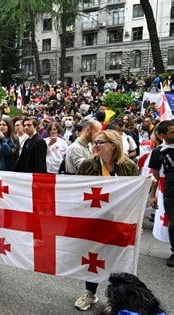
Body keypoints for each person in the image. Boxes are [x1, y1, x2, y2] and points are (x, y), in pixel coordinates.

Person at [74, 130, 138, 311]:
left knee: (117, 260)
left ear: (113, 145)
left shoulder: (129, 166)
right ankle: (90, 293)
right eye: (95, 142)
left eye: (100, 142)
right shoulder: (87, 165)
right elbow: (77, 191)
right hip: (94, 220)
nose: (95, 146)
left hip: (120, 221)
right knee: (94, 258)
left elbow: (134, 195)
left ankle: (114, 300)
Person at [149, 120, 174, 267]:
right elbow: (155, 175)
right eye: (172, 132)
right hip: (171, 191)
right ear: (163, 135)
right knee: (173, 224)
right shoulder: (158, 152)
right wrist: (153, 195)